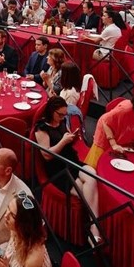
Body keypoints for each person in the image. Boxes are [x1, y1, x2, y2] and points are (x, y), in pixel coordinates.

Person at [33, 97, 101, 242]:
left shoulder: (62, 121)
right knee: (89, 189)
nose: (63, 117)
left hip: (71, 161)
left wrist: (72, 138)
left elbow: (67, 138)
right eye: (60, 114)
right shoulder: (41, 128)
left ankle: (93, 228)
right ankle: (95, 231)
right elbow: (47, 155)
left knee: (92, 175)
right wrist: (64, 141)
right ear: (51, 111)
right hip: (58, 170)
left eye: (65, 114)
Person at [0, 191, 54, 267]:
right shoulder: (16, 231)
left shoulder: (32, 260)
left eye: (13, 215)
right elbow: (10, 250)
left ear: (24, 224)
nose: (6, 215)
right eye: (8, 208)